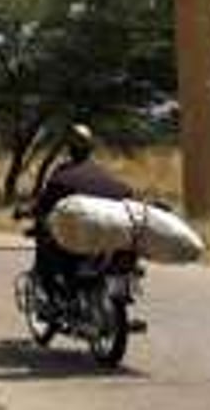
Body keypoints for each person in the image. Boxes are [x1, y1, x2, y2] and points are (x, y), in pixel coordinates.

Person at [29, 124, 133, 301]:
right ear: (90, 149)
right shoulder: (101, 171)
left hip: (83, 235)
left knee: (46, 246)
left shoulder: (61, 176)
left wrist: (31, 213)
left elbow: (44, 205)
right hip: (109, 231)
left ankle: (58, 299)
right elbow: (125, 194)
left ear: (69, 149)